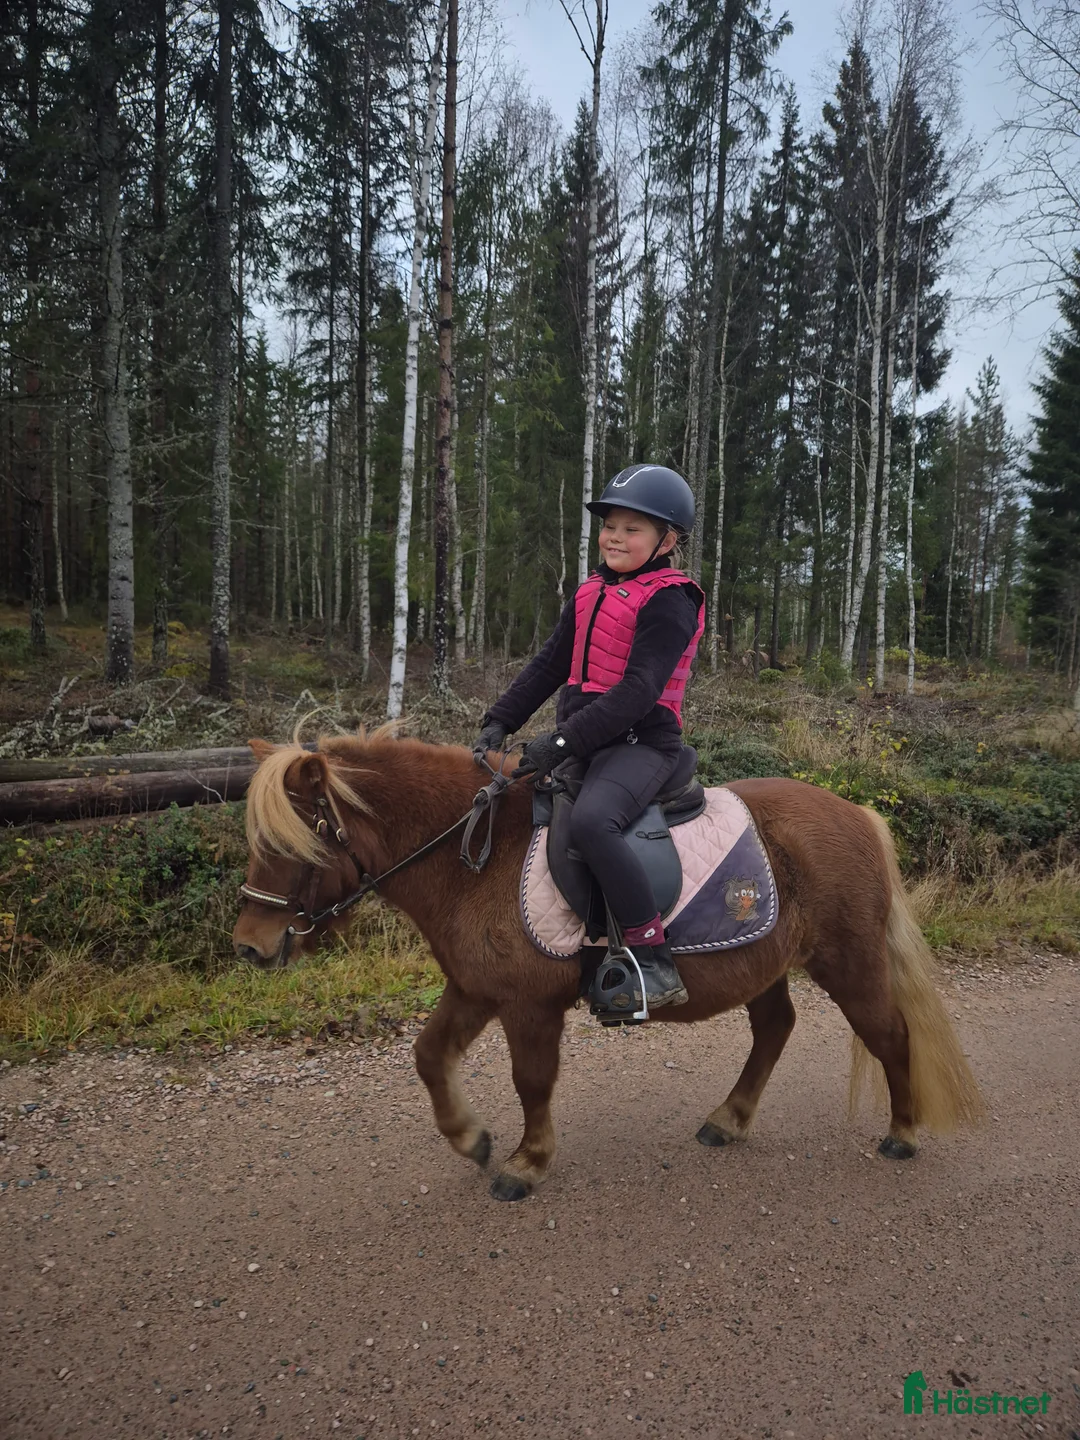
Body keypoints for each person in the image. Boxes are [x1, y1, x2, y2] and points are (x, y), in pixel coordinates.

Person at [473, 463, 705, 1011]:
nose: (615, 538)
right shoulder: (591, 591)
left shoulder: (672, 599)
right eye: (610, 526)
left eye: (633, 529)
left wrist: (560, 742)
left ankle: (652, 960)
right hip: (589, 740)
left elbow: (641, 690)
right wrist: (500, 719)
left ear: (667, 540)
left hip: (642, 743)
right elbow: (551, 664)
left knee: (595, 823)